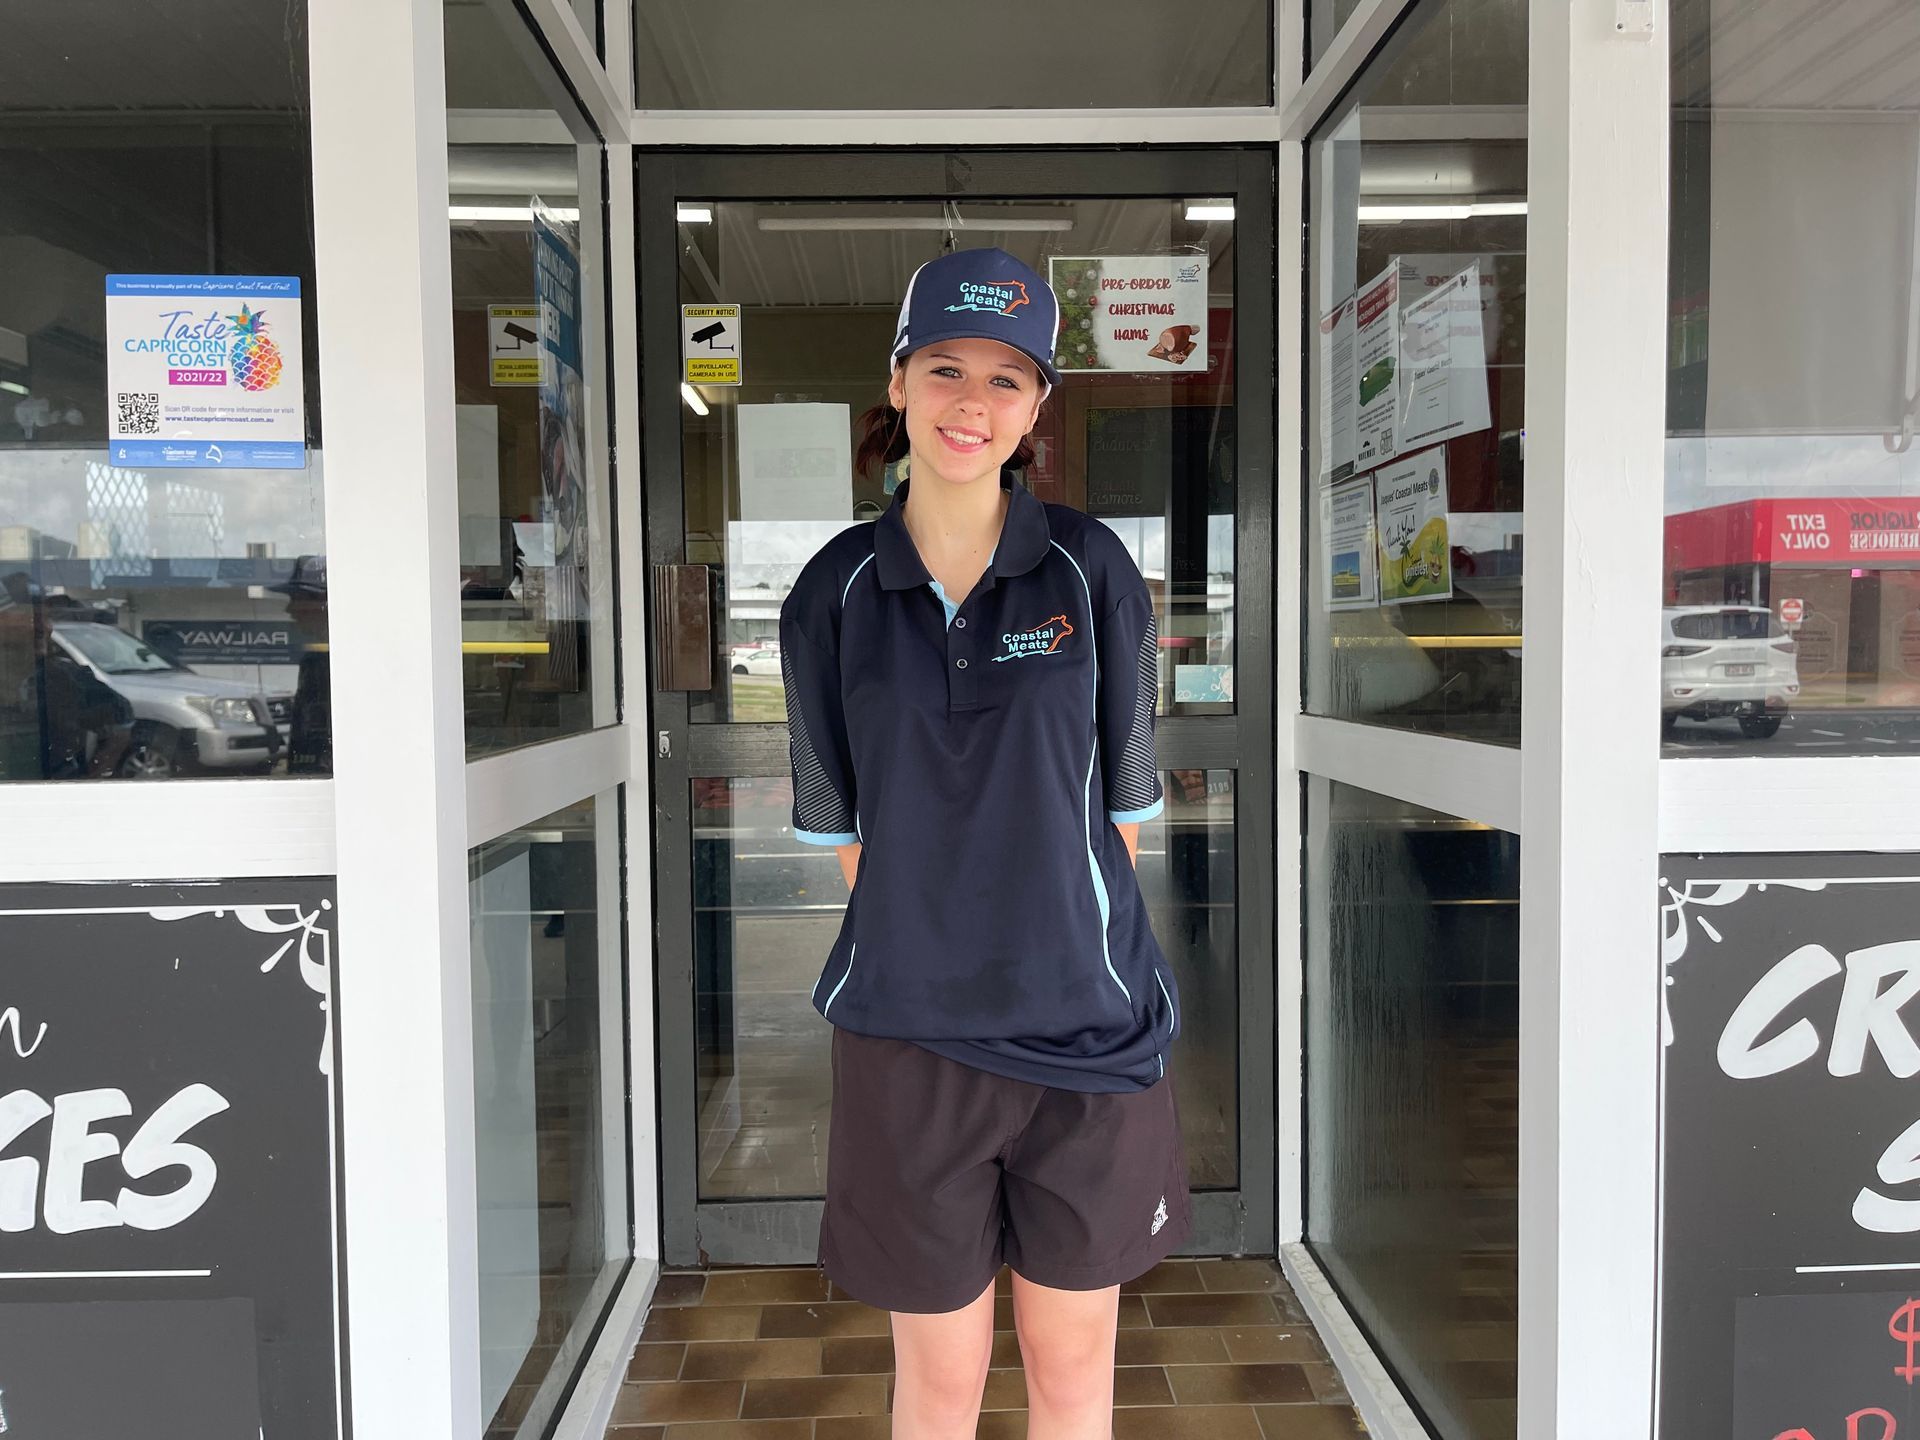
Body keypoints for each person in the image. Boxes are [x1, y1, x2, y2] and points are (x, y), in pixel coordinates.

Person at [780, 248, 1188, 1440]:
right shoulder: (832, 592)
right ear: (898, 383)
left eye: (1008, 379)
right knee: (940, 1383)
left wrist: (1042, 938)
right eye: (946, 368)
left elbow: (1123, 811)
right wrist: (940, 944)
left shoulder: (1090, 569)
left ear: (1039, 406)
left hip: (1091, 1031)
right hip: (911, 1044)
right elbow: (841, 828)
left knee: (1072, 1377)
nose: (974, 403)